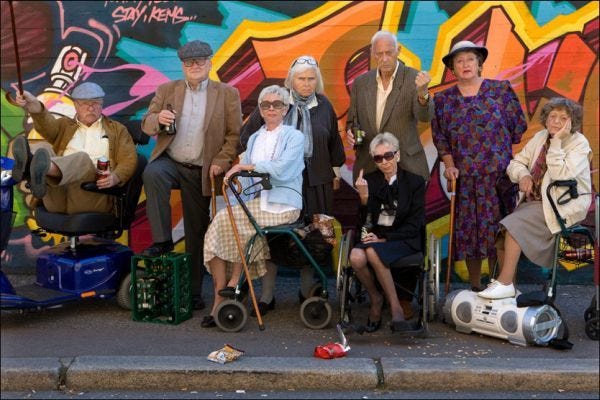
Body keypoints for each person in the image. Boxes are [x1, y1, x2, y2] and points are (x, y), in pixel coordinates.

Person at [239, 55, 346, 315]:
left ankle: (306, 291)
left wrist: (335, 173)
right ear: (291, 80)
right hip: (281, 183)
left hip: (316, 182)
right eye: (301, 78)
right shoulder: (276, 102)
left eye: (311, 78)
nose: (307, 83)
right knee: (272, 235)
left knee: (315, 236)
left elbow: (334, 143)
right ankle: (267, 295)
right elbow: (247, 136)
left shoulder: (324, 105)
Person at [141, 40, 242, 310]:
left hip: (201, 169)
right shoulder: (167, 89)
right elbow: (147, 123)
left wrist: (221, 160)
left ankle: (194, 292)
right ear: (183, 66)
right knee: (152, 173)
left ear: (209, 63)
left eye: (199, 61)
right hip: (171, 162)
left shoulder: (227, 94)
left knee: (196, 231)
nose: (194, 66)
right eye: (188, 62)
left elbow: (234, 135)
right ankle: (162, 240)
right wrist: (157, 119)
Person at [201, 85, 304, 328]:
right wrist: (232, 180)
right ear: (260, 109)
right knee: (218, 224)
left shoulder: (294, 137)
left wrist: (244, 167)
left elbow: (282, 169)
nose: (271, 109)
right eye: (266, 105)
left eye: (277, 104)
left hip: (283, 204)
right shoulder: (256, 137)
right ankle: (221, 293)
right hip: (257, 203)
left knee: (236, 221)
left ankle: (235, 283)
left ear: (285, 109)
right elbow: (244, 176)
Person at [431, 40, 527, 291]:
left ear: (479, 63)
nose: (465, 64)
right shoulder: (443, 100)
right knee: (470, 236)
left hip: (498, 177)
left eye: (470, 59)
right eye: (459, 61)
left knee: (501, 232)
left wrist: (497, 149)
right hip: (466, 179)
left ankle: (503, 286)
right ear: (452, 68)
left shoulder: (501, 90)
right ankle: (475, 287)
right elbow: (441, 138)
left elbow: (518, 126)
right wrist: (449, 165)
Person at [478, 98, 592, 299]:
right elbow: (516, 163)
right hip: (535, 203)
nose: (556, 121)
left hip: (561, 206)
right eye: (552, 116)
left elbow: (561, 175)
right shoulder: (540, 137)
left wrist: (556, 142)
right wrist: (523, 175)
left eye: (563, 118)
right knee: (502, 233)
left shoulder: (579, 144)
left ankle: (505, 283)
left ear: (571, 122)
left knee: (513, 225)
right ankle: (508, 288)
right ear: (546, 119)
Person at [10, 82, 137, 214]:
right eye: (85, 104)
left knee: (82, 159)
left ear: (102, 104)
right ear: (75, 105)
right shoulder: (65, 125)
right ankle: (34, 166)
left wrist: (116, 176)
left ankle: (36, 166)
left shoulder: (117, 130)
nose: (91, 108)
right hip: (58, 197)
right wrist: (33, 103)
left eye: (95, 103)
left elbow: (129, 159)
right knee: (42, 147)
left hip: (91, 196)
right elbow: (46, 126)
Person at [350, 132, 425, 333]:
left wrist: (384, 238)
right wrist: (364, 199)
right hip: (375, 236)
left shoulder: (415, 182)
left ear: (397, 155)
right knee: (356, 256)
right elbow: (364, 224)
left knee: (372, 251)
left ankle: (395, 308)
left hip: (403, 238)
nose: (384, 162)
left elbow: (415, 224)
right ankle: (376, 297)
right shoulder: (369, 181)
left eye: (388, 156)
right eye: (378, 158)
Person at [346, 30, 433, 181]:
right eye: (379, 54)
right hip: (369, 166)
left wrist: (423, 93)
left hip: (407, 165)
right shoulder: (361, 83)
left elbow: (425, 117)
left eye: (389, 53)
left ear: (398, 50)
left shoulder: (414, 78)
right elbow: (352, 121)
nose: (384, 59)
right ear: (373, 53)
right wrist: (351, 133)